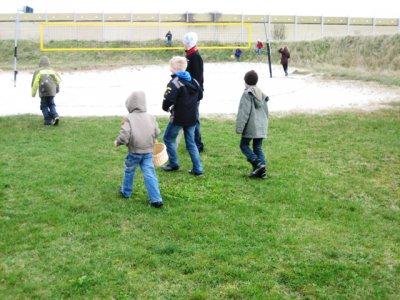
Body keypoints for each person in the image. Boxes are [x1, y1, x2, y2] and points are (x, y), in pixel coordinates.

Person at [114, 91, 163, 208]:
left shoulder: (128, 118)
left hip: (134, 152)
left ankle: (126, 192)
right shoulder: (151, 117)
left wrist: (118, 142)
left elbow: (125, 134)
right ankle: (156, 199)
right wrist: (152, 139)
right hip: (148, 152)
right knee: (150, 173)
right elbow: (157, 132)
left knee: (129, 170)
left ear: (129, 104)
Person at [161, 56, 204, 176]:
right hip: (191, 117)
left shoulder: (174, 83)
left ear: (175, 69)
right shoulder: (194, 81)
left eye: (171, 67)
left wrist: (165, 108)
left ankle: (174, 164)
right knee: (191, 142)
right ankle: (198, 168)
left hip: (178, 118)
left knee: (168, 138)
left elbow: (168, 99)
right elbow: (200, 96)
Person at [236, 70, 269, 179]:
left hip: (252, 126)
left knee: (244, 145)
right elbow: (266, 111)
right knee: (257, 147)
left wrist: (240, 127)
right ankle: (262, 172)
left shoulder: (247, 94)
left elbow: (244, 112)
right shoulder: (261, 92)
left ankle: (258, 164)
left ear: (245, 81)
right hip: (261, 125)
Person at [183, 32, 204, 152]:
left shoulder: (195, 56)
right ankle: (192, 141)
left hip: (194, 93)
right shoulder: (189, 55)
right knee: (190, 118)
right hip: (190, 92)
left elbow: (197, 79)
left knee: (194, 118)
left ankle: (198, 143)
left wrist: (194, 93)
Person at [31, 56, 61, 126]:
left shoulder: (38, 71)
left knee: (44, 105)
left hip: (43, 91)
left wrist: (33, 93)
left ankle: (47, 121)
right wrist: (57, 90)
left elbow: (34, 83)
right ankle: (55, 116)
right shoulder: (52, 70)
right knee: (51, 104)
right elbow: (58, 80)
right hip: (52, 91)